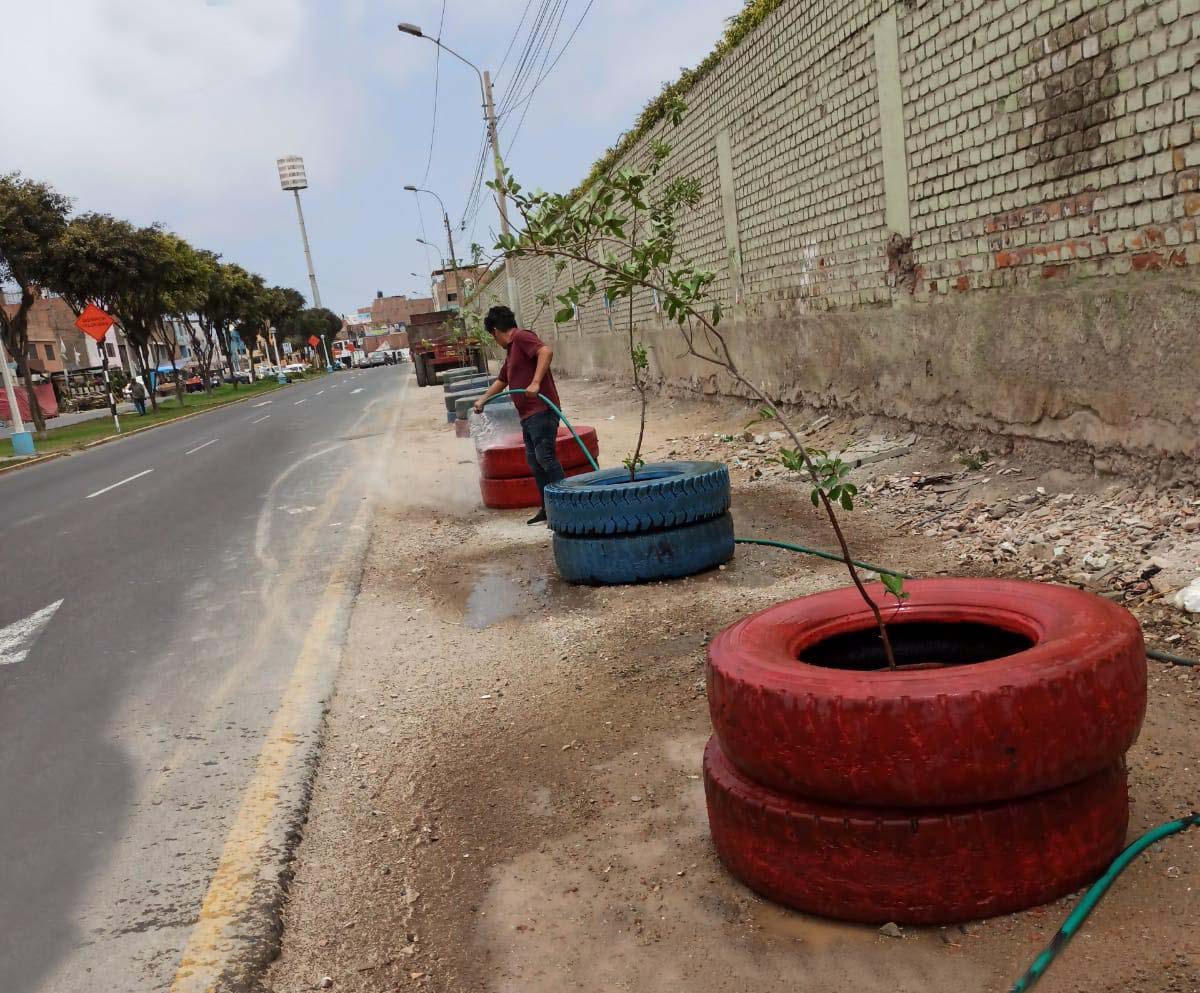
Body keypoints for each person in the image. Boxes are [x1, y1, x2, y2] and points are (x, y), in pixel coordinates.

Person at [474, 305, 564, 525]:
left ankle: (566, 504)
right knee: (534, 462)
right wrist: (483, 400)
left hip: (542, 411)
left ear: (495, 331)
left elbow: (545, 351)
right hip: (528, 416)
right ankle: (547, 507)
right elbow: (502, 381)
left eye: (493, 336)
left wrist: (535, 382)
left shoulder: (522, 337)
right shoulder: (511, 352)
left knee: (546, 458)